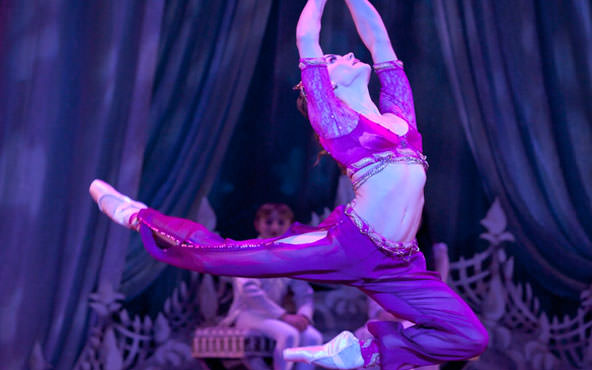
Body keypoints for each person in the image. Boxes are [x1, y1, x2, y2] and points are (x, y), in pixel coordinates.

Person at [89, 0, 487, 368]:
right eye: (333, 58)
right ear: (327, 89)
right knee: (225, 255)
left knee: (471, 337)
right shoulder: (339, 124)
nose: (347, 54)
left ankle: (362, 353)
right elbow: (306, 37)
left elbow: (378, 39)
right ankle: (136, 215)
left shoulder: (400, 117)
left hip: (399, 264)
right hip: (350, 245)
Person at [219, 204, 322, 370]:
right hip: (248, 313)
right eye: (268, 222)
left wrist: (304, 315)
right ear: (257, 224)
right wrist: (284, 316)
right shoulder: (247, 252)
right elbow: (251, 293)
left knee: (313, 337)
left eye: (281, 222)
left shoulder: (290, 256)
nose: (274, 227)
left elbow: (304, 292)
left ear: (289, 225)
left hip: (275, 316)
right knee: (288, 334)